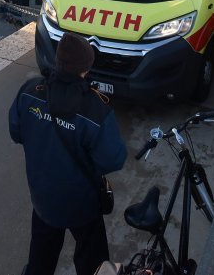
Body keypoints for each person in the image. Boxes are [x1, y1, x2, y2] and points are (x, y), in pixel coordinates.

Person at [8, 32, 127, 275]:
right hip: (82, 203)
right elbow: (114, 159)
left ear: (58, 61)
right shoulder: (96, 109)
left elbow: (16, 132)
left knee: (41, 259)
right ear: (86, 68)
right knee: (93, 262)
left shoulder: (30, 91)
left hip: (43, 198)